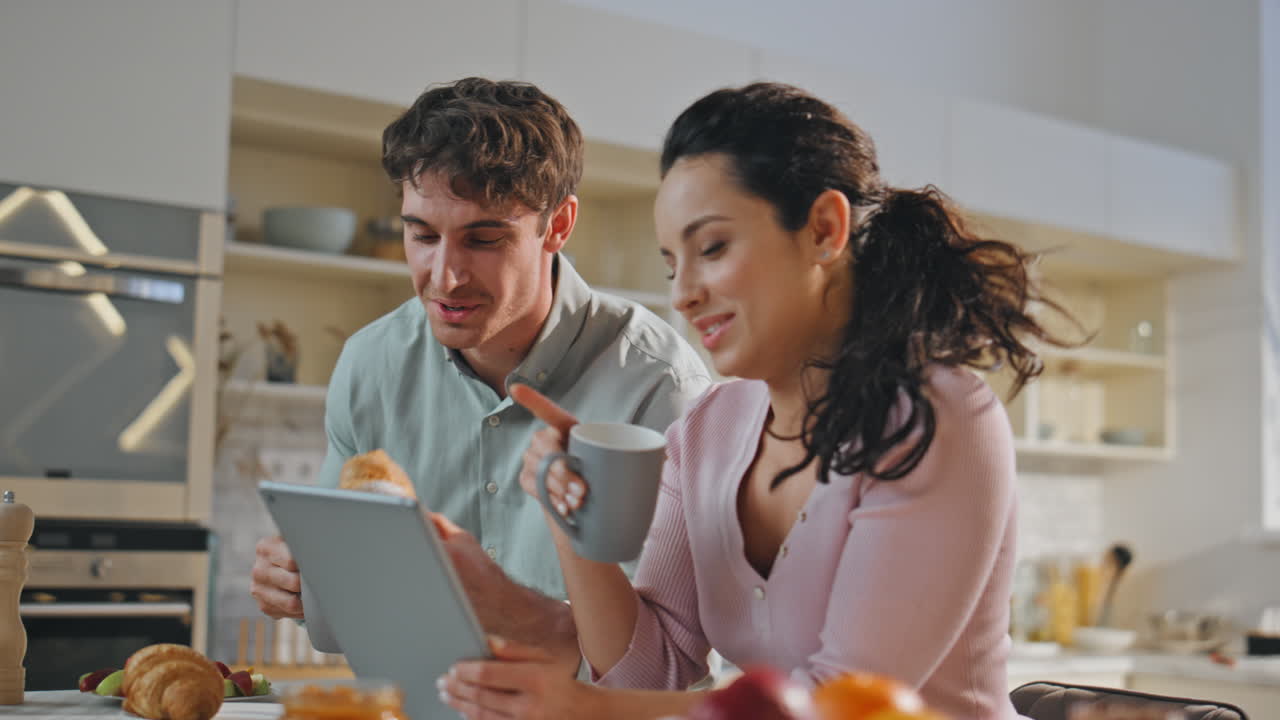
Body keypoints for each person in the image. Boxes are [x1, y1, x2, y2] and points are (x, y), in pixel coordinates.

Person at [438, 82, 1079, 719]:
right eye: (672, 265)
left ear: (824, 229)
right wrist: (572, 527)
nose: (683, 294)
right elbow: (652, 671)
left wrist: (582, 709)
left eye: (712, 248)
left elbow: (842, 709)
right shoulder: (710, 428)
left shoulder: (935, 417)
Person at [249, 78, 711, 674]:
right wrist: (299, 582)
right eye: (422, 235)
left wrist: (513, 611)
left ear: (559, 224)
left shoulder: (659, 387)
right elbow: (343, 616)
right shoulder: (371, 365)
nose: (445, 277)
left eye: (484, 238)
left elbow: (665, 671)